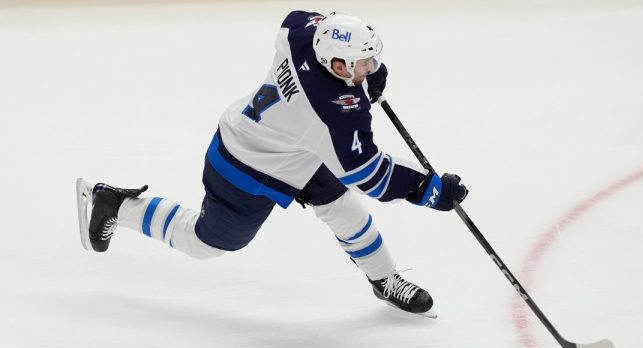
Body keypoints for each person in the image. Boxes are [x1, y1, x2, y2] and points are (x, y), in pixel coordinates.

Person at [76, 11, 468, 318]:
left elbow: (300, 18)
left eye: (371, 59)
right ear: (337, 66)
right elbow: (370, 174)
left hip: (290, 145)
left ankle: (383, 278)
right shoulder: (333, 111)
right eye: (363, 63)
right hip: (246, 163)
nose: (371, 66)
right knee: (206, 243)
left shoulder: (303, 38)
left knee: (342, 208)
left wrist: (368, 74)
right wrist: (428, 189)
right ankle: (117, 206)